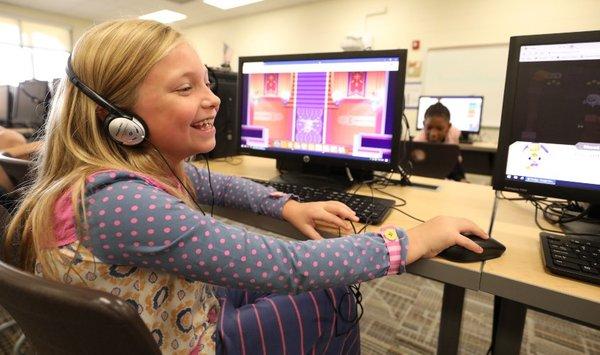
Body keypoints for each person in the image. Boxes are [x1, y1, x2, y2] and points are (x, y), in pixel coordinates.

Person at [4, 19, 488, 354]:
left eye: (208, 82)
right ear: (120, 119)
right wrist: (415, 240)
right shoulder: (125, 202)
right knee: (331, 292)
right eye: (185, 87)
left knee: (309, 288)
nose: (214, 98)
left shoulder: (104, 179)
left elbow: (220, 189)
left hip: (161, 320)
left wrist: (284, 207)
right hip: (186, 343)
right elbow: (290, 265)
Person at [414, 102, 466, 181]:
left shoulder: (453, 139)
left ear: (448, 127)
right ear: (424, 124)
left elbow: (456, 170)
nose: (433, 134)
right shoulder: (417, 142)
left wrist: (461, 180)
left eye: (439, 128)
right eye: (429, 127)